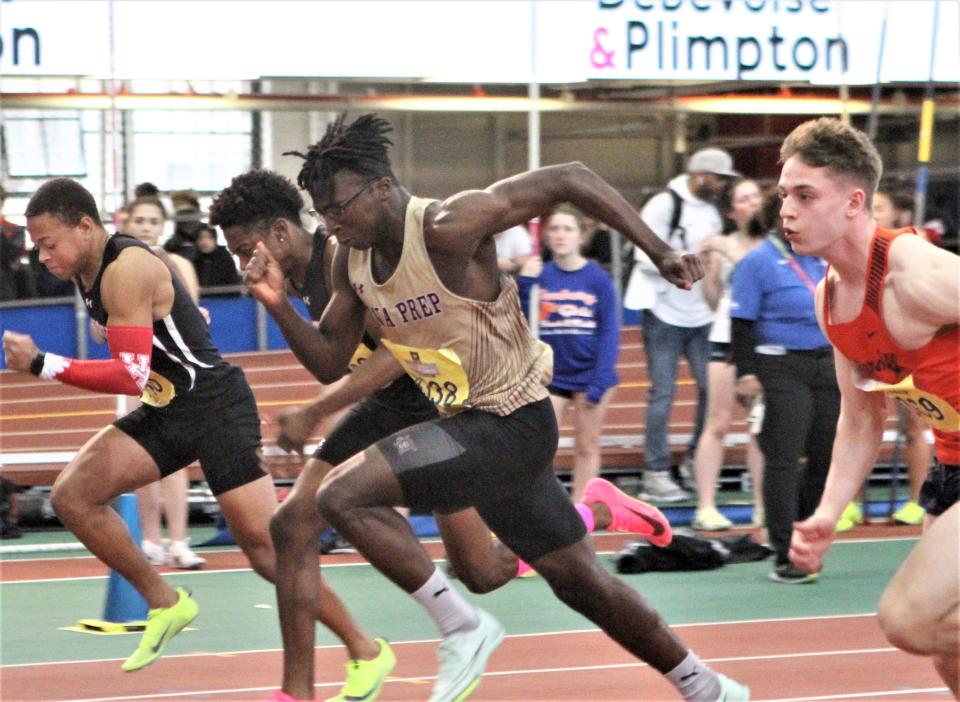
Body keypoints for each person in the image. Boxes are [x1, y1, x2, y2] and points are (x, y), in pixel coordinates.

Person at [243, 113, 748, 702]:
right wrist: (277, 305)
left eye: (338, 208)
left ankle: (462, 627)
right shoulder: (348, 260)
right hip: (469, 430)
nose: (330, 224)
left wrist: (659, 251)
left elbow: (570, 176)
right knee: (575, 582)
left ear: (380, 187)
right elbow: (331, 359)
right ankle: (707, 686)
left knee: (339, 495)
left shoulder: (448, 225)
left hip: (514, 419)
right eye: (320, 214)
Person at [0, 179, 388, 695]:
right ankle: (165, 601)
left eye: (49, 244)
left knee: (266, 552)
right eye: (37, 247)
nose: (42, 256)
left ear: (86, 226)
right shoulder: (86, 268)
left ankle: (365, 649)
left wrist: (42, 364)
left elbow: (130, 376)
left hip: (213, 408)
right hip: (168, 409)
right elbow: (133, 337)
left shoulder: (127, 267)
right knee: (74, 495)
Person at [781, 118, 958, 696]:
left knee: (909, 619)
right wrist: (829, 513)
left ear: (855, 202)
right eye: (785, 194)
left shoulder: (915, 271)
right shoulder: (829, 301)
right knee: (948, 644)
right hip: (950, 471)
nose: (787, 210)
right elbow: (860, 419)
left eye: (806, 196)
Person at [731, 191, 839, 584]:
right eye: (790, 214)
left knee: (826, 456)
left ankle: (806, 534)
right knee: (783, 457)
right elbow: (741, 322)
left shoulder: (826, 257)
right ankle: (785, 550)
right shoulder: (757, 262)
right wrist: (745, 373)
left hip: (827, 362)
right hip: (777, 364)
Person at [637, 148, 736, 502]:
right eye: (720, 178)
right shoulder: (665, 205)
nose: (723, 185)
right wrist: (685, 260)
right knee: (662, 393)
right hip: (665, 313)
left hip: (702, 315)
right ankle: (656, 471)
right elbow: (642, 253)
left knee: (711, 391)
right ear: (700, 175)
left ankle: (696, 461)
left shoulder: (711, 211)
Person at [124, 195, 207, 570]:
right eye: (139, 219)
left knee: (177, 460)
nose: (145, 226)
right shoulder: (117, 268)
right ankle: (149, 541)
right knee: (143, 458)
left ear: (163, 225)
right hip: (135, 371)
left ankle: (179, 541)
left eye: (152, 221)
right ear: (127, 223)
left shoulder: (181, 265)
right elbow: (101, 328)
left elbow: (194, 315)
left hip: (175, 372)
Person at [518, 204, 620, 501]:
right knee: (542, 447)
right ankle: (546, 507)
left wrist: (600, 378)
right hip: (553, 374)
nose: (561, 235)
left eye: (568, 229)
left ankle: (581, 509)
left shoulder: (598, 280)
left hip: (591, 375)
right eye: (555, 229)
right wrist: (524, 284)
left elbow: (609, 331)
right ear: (546, 236)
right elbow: (522, 322)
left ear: (581, 236)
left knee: (587, 446)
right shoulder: (538, 275)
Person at [691, 178, 766, 531]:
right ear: (732, 211)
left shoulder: (771, 244)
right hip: (724, 337)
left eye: (756, 197)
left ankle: (763, 505)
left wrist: (726, 251)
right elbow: (713, 300)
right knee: (717, 423)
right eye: (745, 199)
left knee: (760, 426)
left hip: (762, 339)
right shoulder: (725, 245)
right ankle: (705, 506)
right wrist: (707, 269)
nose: (753, 203)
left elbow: (758, 273)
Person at [866, 190, 934, 526]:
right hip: (866, 344)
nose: (874, 213)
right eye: (871, 208)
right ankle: (849, 503)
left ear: (895, 214)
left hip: (906, 350)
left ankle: (916, 501)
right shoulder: (853, 250)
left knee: (913, 427)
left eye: (880, 208)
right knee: (861, 424)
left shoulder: (908, 246)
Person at [192, 225, 240, 289]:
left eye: (209, 238)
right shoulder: (194, 259)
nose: (204, 242)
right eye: (201, 238)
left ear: (215, 240)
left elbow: (232, 283)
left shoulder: (224, 258)